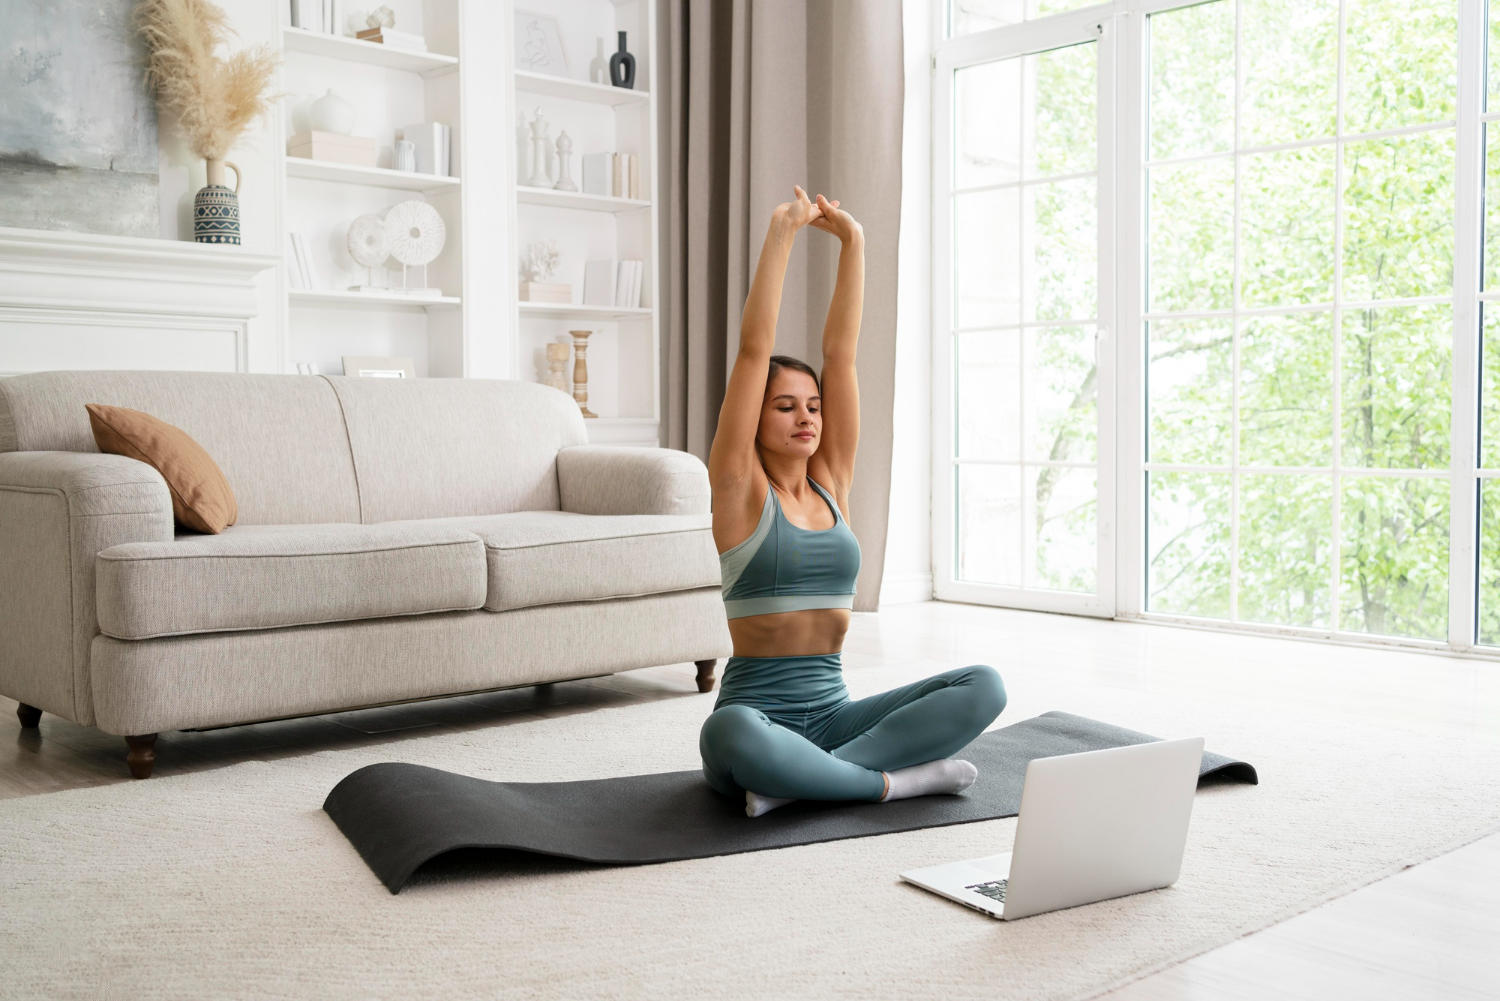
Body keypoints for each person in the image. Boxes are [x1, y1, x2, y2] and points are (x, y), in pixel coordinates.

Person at [699, 185, 1007, 818]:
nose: (806, 417)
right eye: (785, 406)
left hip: (838, 716)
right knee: (726, 735)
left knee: (983, 686)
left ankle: (808, 780)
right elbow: (754, 350)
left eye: (813, 407)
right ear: (753, 418)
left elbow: (841, 355)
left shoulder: (830, 480)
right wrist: (784, 232)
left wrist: (854, 243)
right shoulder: (737, 487)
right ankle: (892, 783)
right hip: (756, 717)